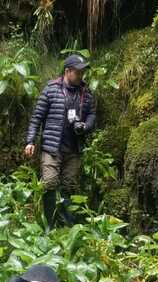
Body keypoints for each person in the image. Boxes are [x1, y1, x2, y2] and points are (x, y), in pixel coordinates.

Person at [25, 54, 96, 229]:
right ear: (67, 71)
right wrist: (30, 141)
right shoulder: (51, 89)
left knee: (69, 186)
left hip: (74, 148)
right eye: (78, 72)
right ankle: (49, 224)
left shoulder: (86, 94)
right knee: (49, 183)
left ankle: (67, 224)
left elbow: (92, 115)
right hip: (52, 147)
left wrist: (85, 127)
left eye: (82, 73)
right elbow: (37, 117)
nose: (81, 76)